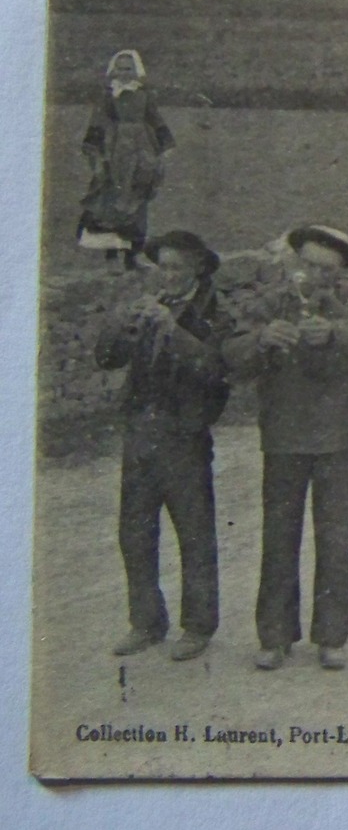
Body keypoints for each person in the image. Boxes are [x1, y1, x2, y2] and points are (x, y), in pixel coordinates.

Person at [223, 225, 348, 670]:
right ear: (293, 262)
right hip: (283, 435)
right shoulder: (272, 301)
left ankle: (331, 637)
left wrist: (335, 332)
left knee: (334, 538)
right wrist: (261, 339)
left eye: (326, 269)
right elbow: (231, 353)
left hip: (339, 436)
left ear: (340, 272)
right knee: (279, 536)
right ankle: (274, 636)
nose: (314, 276)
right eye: (308, 265)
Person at [95, 230, 231, 661]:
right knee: (134, 532)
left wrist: (171, 330)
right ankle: (146, 623)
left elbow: (215, 369)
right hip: (141, 434)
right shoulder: (152, 305)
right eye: (163, 267)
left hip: (184, 436)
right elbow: (107, 358)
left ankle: (198, 626)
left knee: (194, 534)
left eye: (176, 268)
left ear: (197, 269)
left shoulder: (213, 310)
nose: (167, 276)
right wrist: (121, 324)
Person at [77, 50, 175, 269]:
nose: (124, 73)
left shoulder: (144, 93)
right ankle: (111, 254)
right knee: (113, 198)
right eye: (120, 68)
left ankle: (133, 255)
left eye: (128, 68)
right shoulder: (108, 94)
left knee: (137, 197)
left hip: (142, 150)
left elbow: (154, 117)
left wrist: (165, 141)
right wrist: (93, 145)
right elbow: (99, 119)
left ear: (136, 70)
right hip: (116, 150)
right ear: (113, 70)